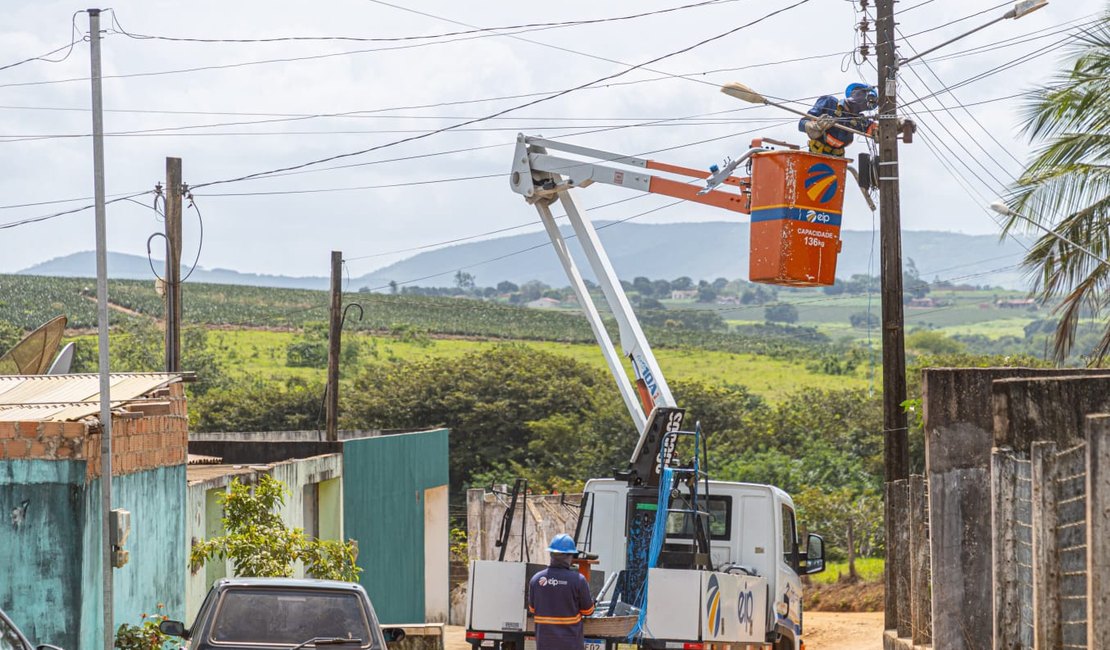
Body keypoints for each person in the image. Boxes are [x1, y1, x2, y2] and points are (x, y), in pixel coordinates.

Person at [528, 534, 595, 650]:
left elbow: (532, 609)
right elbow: (588, 611)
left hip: (545, 645)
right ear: (570, 556)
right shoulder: (578, 580)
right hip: (571, 645)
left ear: (550, 554)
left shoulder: (536, 580)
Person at [798, 82, 878, 157]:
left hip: (837, 160)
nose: (865, 101)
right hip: (817, 154)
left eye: (870, 100)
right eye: (864, 94)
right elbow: (802, 123)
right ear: (854, 92)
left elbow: (877, 129)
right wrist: (814, 126)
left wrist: (881, 132)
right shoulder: (829, 102)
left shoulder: (859, 121)